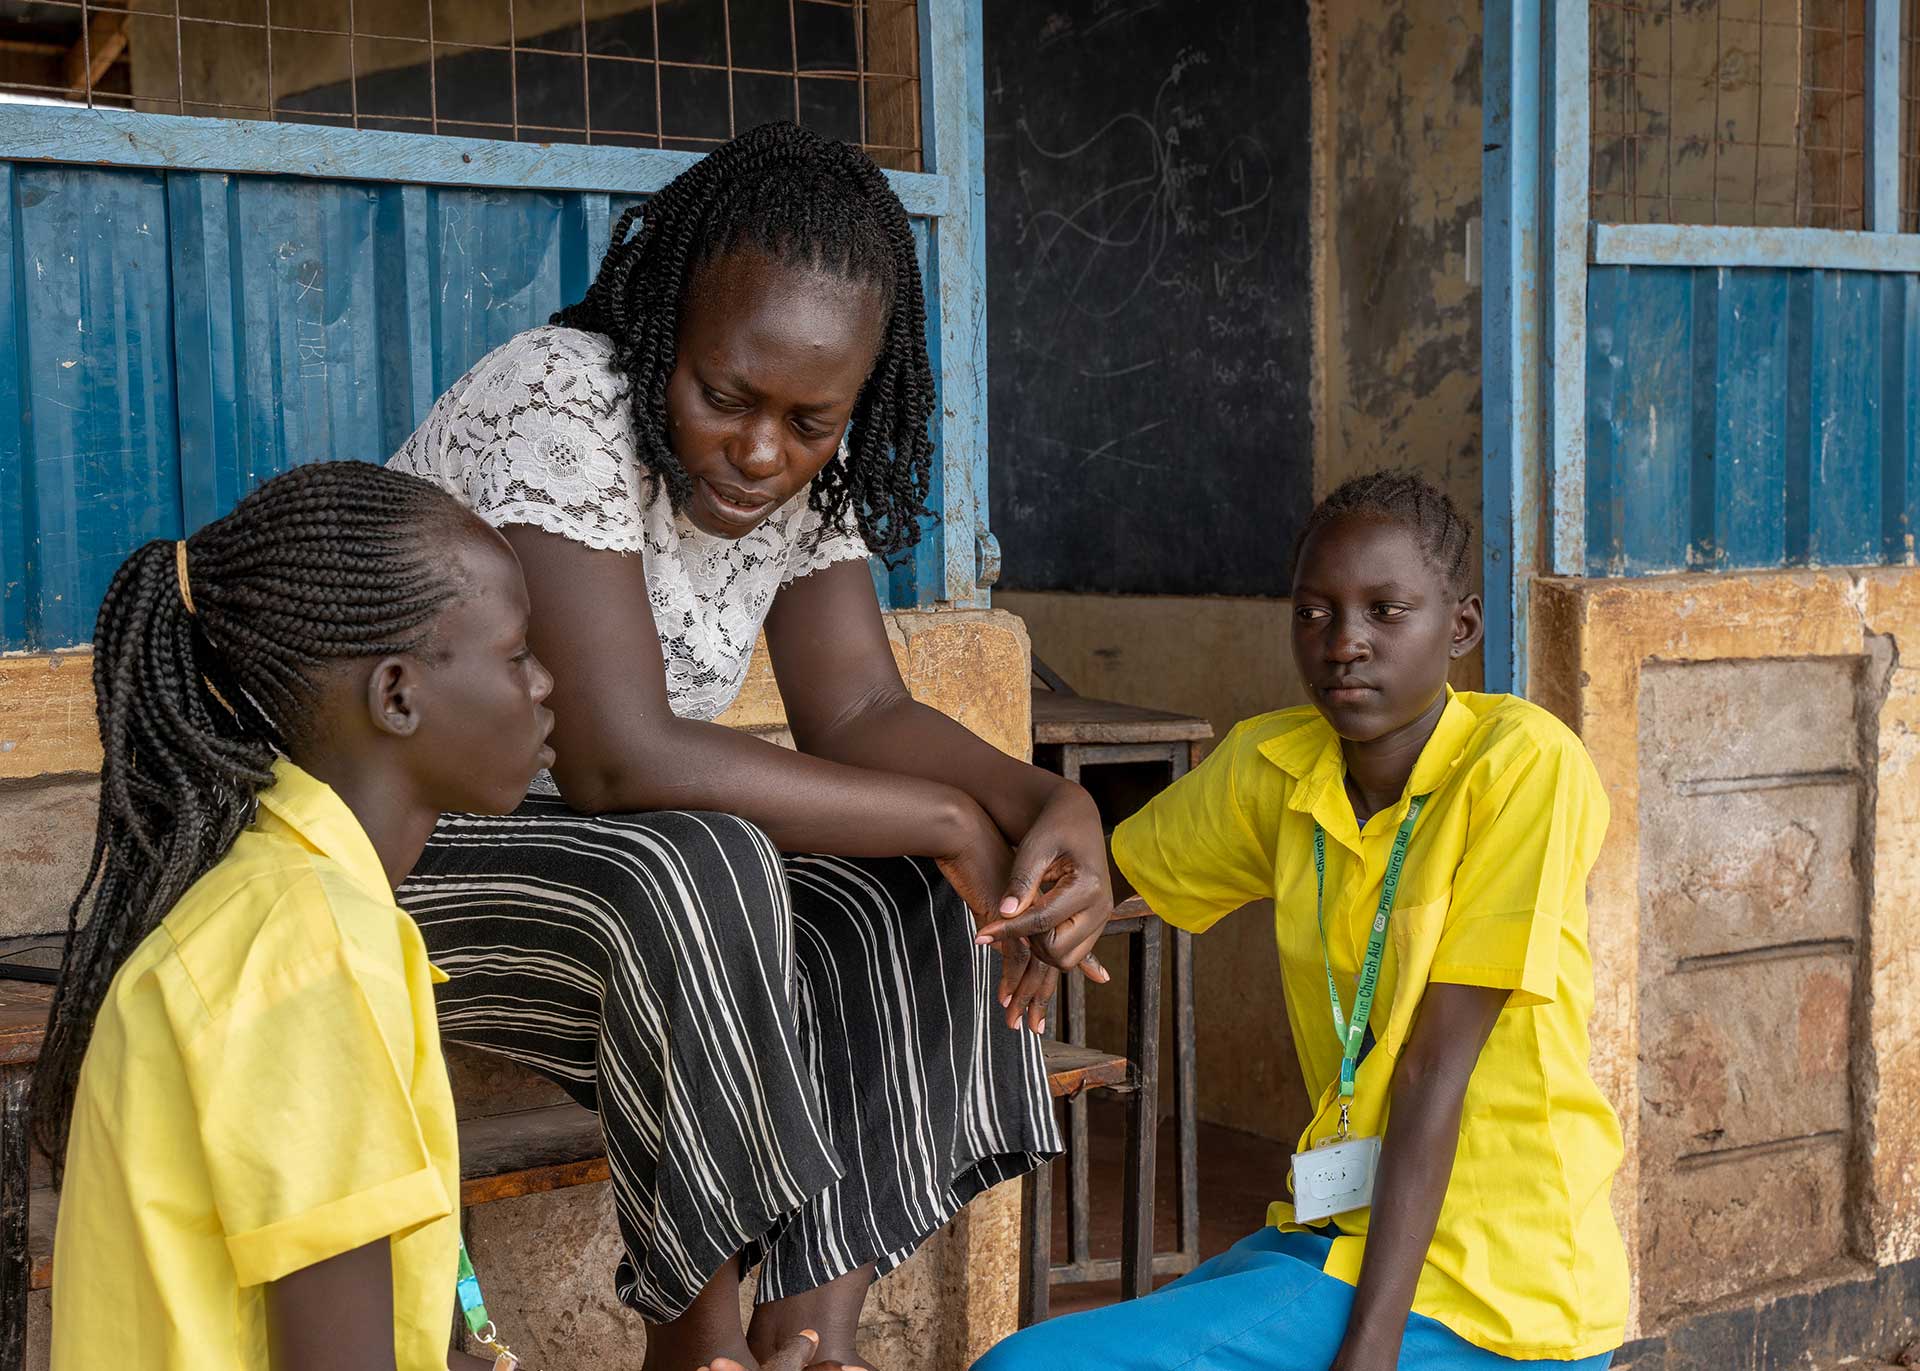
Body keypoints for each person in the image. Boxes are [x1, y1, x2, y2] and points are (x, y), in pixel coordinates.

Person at [387, 121, 1110, 1371]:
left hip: (589, 858)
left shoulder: (803, 469)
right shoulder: (561, 395)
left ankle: (807, 1345)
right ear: (665, 328)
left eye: (809, 420)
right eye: (724, 396)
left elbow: (863, 716)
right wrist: (949, 818)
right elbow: (617, 759)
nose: (762, 452)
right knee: (707, 862)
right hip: (395, 844)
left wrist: (1046, 803)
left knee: (927, 904)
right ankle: (700, 1345)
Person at [29, 462, 844, 1371]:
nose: (546, 684)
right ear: (398, 696)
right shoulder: (310, 954)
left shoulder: (303, 906)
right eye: (515, 654)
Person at [975, 473, 1628, 1371]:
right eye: (1313, 614)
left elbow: (1436, 1066)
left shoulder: (1523, 765)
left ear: (1463, 628)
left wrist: (1367, 1352)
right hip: (1333, 1231)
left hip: (1491, 1282)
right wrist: (1056, 922)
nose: (1345, 643)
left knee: (1022, 1369)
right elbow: (1118, 869)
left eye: (1386, 611)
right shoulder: (1279, 764)